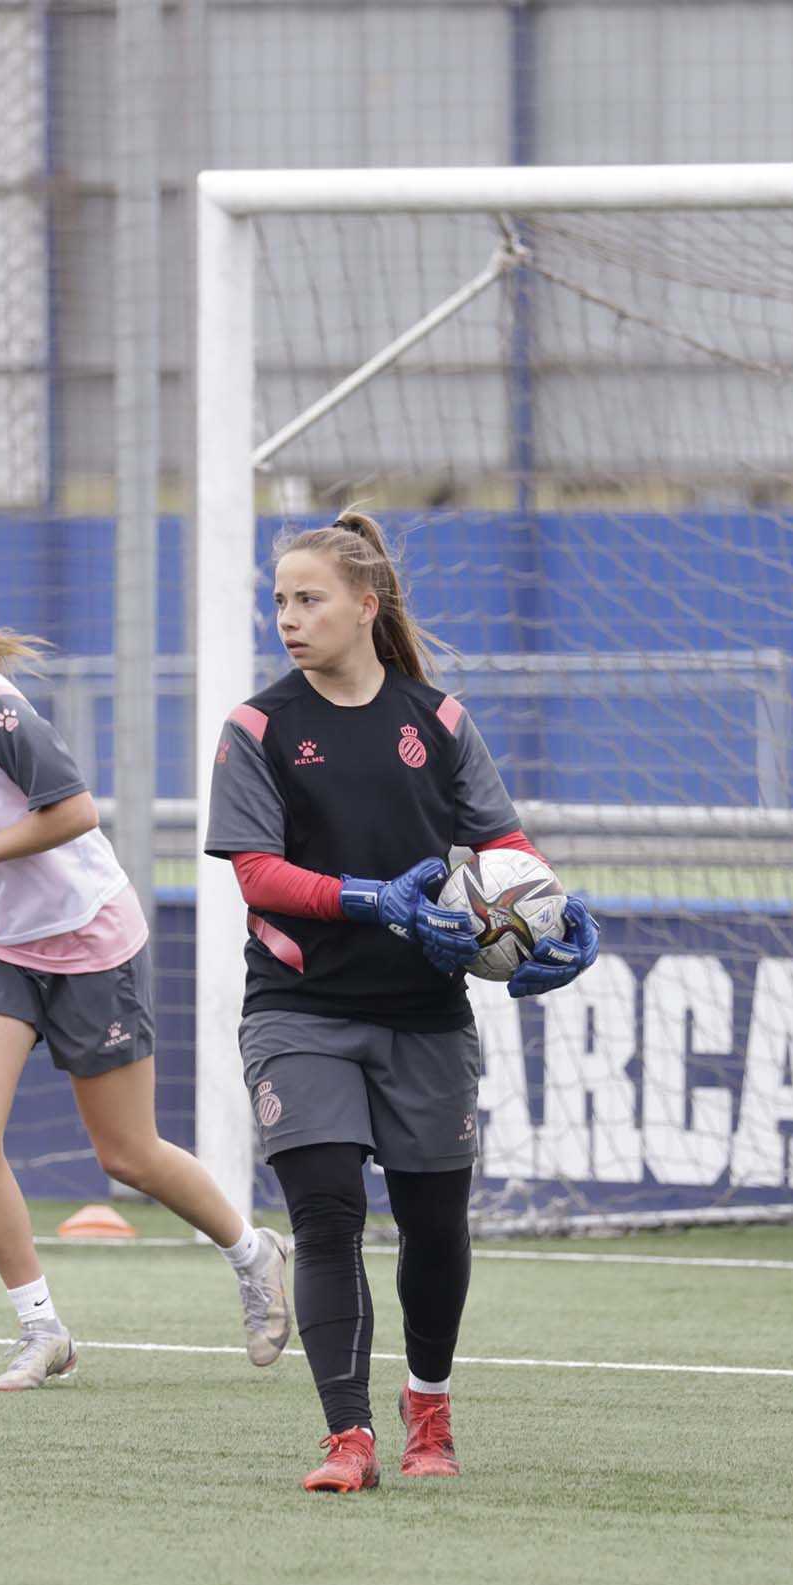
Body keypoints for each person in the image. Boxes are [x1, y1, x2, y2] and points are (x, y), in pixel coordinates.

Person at [204, 514, 600, 1491]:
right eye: (281, 601)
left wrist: (558, 920)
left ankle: (429, 1409)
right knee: (329, 1213)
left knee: (435, 1226)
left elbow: (505, 847)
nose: (288, 618)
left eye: (309, 599)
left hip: (426, 1011)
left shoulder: (439, 721)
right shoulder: (258, 727)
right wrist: (363, 898)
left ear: (365, 607)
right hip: (299, 1008)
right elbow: (255, 873)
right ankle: (349, 1439)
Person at [0, 560, 293, 1391]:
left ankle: (252, 1250)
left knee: (126, 1153)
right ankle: (40, 1327)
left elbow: (75, 812)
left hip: (88, 934)